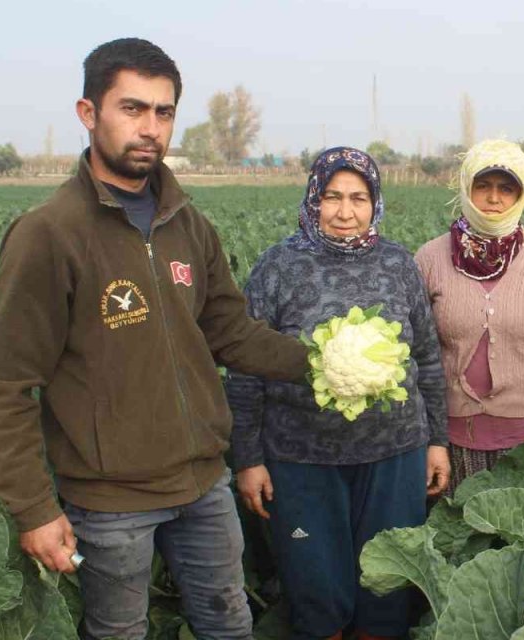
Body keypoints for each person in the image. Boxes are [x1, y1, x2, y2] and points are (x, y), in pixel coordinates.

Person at [0, 38, 309, 639]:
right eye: (132, 109)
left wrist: (320, 365)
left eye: (163, 112)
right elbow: (5, 384)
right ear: (88, 112)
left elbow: (229, 330)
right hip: (110, 502)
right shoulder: (49, 234)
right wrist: (33, 509)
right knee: (121, 632)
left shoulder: (187, 222)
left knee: (228, 621)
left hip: (205, 484)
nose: (149, 127)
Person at [224, 147, 450, 640]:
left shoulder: (397, 264)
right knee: (317, 593)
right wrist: (248, 458)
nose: (344, 211)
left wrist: (437, 441)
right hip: (300, 459)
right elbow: (244, 370)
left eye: (358, 198)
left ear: (375, 204)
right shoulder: (278, 266)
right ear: (313, 199)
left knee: (386, 591)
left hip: (394, 455)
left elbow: (428, 358)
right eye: (331, 197)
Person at [415, 139, 524, 495]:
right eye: (483, 186)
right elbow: (416, 352)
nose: (494, 198)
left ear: (520, 196)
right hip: (452, 441)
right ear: (466, 189)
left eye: (506, 188)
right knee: (458, 538)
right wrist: (431, 435)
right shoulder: (430, 260)